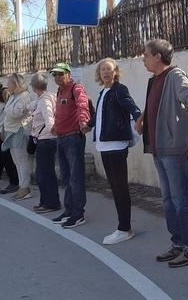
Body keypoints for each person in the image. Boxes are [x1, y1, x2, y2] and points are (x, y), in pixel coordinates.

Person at [138, 39, 188, 263]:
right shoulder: (153, 80)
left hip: (173, 149)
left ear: (158, 56)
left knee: (181, 200)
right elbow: (153, 107)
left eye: (145, 54)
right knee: (167, 200)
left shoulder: (175, 75)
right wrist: (142, 119)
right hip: (158, 149)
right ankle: (178, 243)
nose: (142, 58)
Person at [92, 58, 141, 244]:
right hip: (104, 145)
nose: (105, 72)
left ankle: (125, 228)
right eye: (103, 69)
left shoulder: (120, 90)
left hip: (116, 145)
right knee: (114, 187)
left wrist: (138, 118)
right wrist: (87, 125)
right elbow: (99, 117)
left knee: (120, 188)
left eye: (109, 69)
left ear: (115, 72)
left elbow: (131, 107)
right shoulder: (103, 92)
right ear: (99, 73)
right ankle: (123, 226)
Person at [50, 63, 91, 227]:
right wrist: (55, 126)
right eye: (55, 75)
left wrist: (83, 122)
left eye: (60, 74)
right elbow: (61, 112)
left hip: (73, 138)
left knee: (75, 178)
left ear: (68, 74)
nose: (57, 77)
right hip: (61, 138)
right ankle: (69, 210)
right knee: (67, 177)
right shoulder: (60, 91)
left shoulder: (76, 88)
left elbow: (82, 105)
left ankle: (78, 214)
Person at [0, 73, 35, 201]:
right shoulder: (13, 96)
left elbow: (16, 113)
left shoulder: (24, 96)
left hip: (19, 131)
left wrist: (6, 110)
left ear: (16, 84)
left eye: (9, 82)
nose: (7, 85)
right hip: (11, 131)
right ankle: (22, 186)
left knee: (22, 161)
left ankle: (25, 188)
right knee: (17, 162)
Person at [29, 73, 60, 214]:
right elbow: (33, 106)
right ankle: (45, 201)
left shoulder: (44, 101)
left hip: (46, 141)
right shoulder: (47, 97)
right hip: (46, 140)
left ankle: (51, 203)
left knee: (44, 174)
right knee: (44, 173)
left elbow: (49, 120)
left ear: (34, 87)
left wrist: (48, 132)